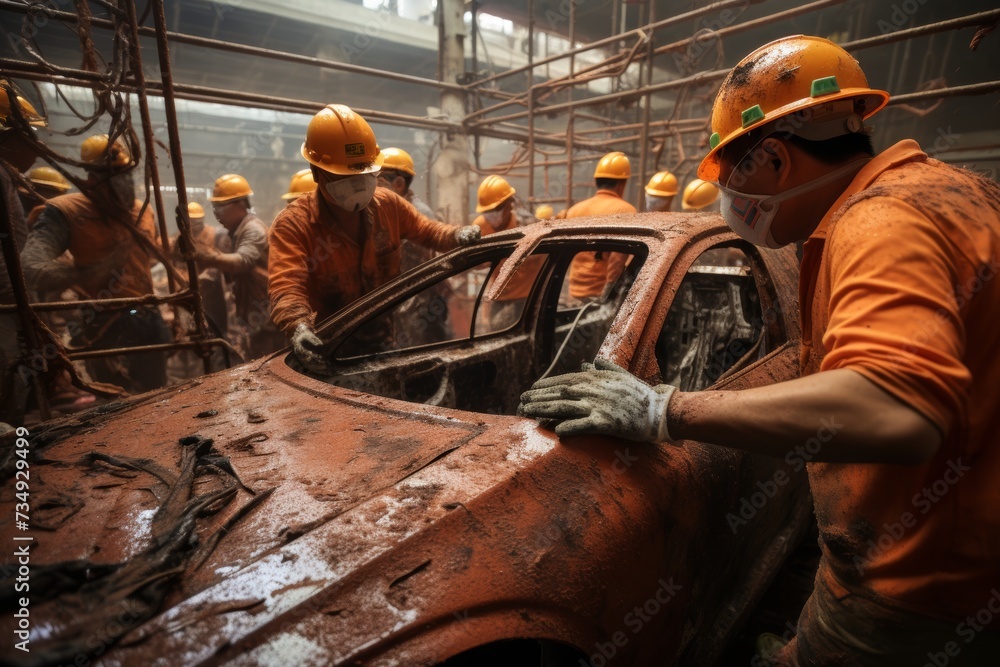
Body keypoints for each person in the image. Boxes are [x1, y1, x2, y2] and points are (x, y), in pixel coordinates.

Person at [519, 35, 1000, 665]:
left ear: (773, 157)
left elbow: (898, 409)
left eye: (730, 173)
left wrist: (666, 410)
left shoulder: (879, 222)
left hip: (919, 587)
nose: (731, 199)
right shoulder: (961, 193)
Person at [268, 104, 480, 373]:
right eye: (346, 174)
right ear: (316, 172)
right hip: (325, 354)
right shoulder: (294, 226)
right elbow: (286, 287)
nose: (358, 184)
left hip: (384, 343)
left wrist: (457, 234)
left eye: (364, 172)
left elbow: (427, 231)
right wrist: (298, 327)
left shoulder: (388, 205)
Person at [22, 133, 171, 395]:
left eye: (125, 172)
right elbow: (32, 265)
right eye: (112, 174)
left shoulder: (142, 209)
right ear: (91, 177)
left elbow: (154, 249)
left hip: (147, 314)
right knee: (116, 397)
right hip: (104, 320)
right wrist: (88, 272)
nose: (123, 182)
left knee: (156, 391)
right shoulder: (67, 211)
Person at [194, 174, 283, 359]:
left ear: (241, 204)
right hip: (255, 311)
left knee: (269, 361)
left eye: (220, 206)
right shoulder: (236, 232)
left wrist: (207, 257)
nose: (216, 212)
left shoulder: (253, 230)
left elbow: (243, 262)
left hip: (266, 313)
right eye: (214, 207)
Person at [0, 80, 48, 419]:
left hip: (9, 301)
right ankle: (13, 456)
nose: (37, 144)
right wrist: (16, 302)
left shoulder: (7, 177)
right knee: (8, 374)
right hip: (4, 303)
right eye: (29, 133)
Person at [563, 151, 636, 301]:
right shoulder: (625, 211)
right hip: (599, 294)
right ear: (622, 183)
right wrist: (609, 297)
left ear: (597, 180)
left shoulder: (574, 210)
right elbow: (617, 259)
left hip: (575, 292)